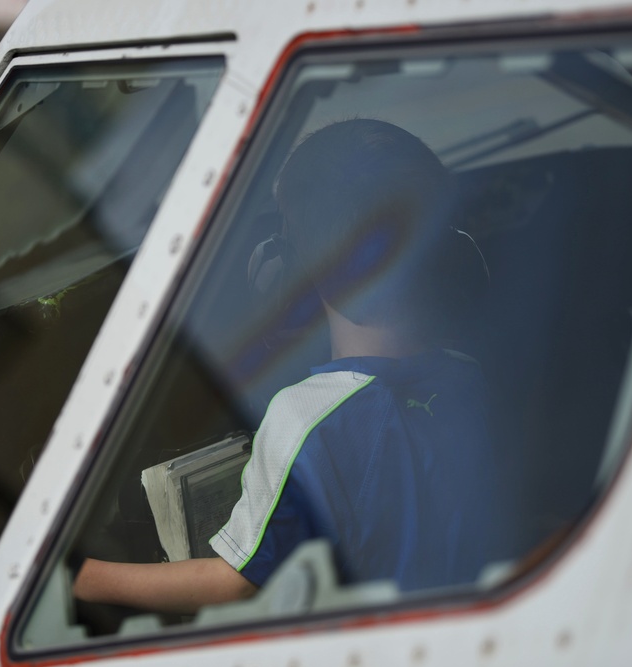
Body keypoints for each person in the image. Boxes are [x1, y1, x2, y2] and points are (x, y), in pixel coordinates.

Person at [73, 119, 500, 615]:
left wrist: (84, 577)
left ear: (296, 269)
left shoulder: (305, 418)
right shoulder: (468, 377)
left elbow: (236, 582)